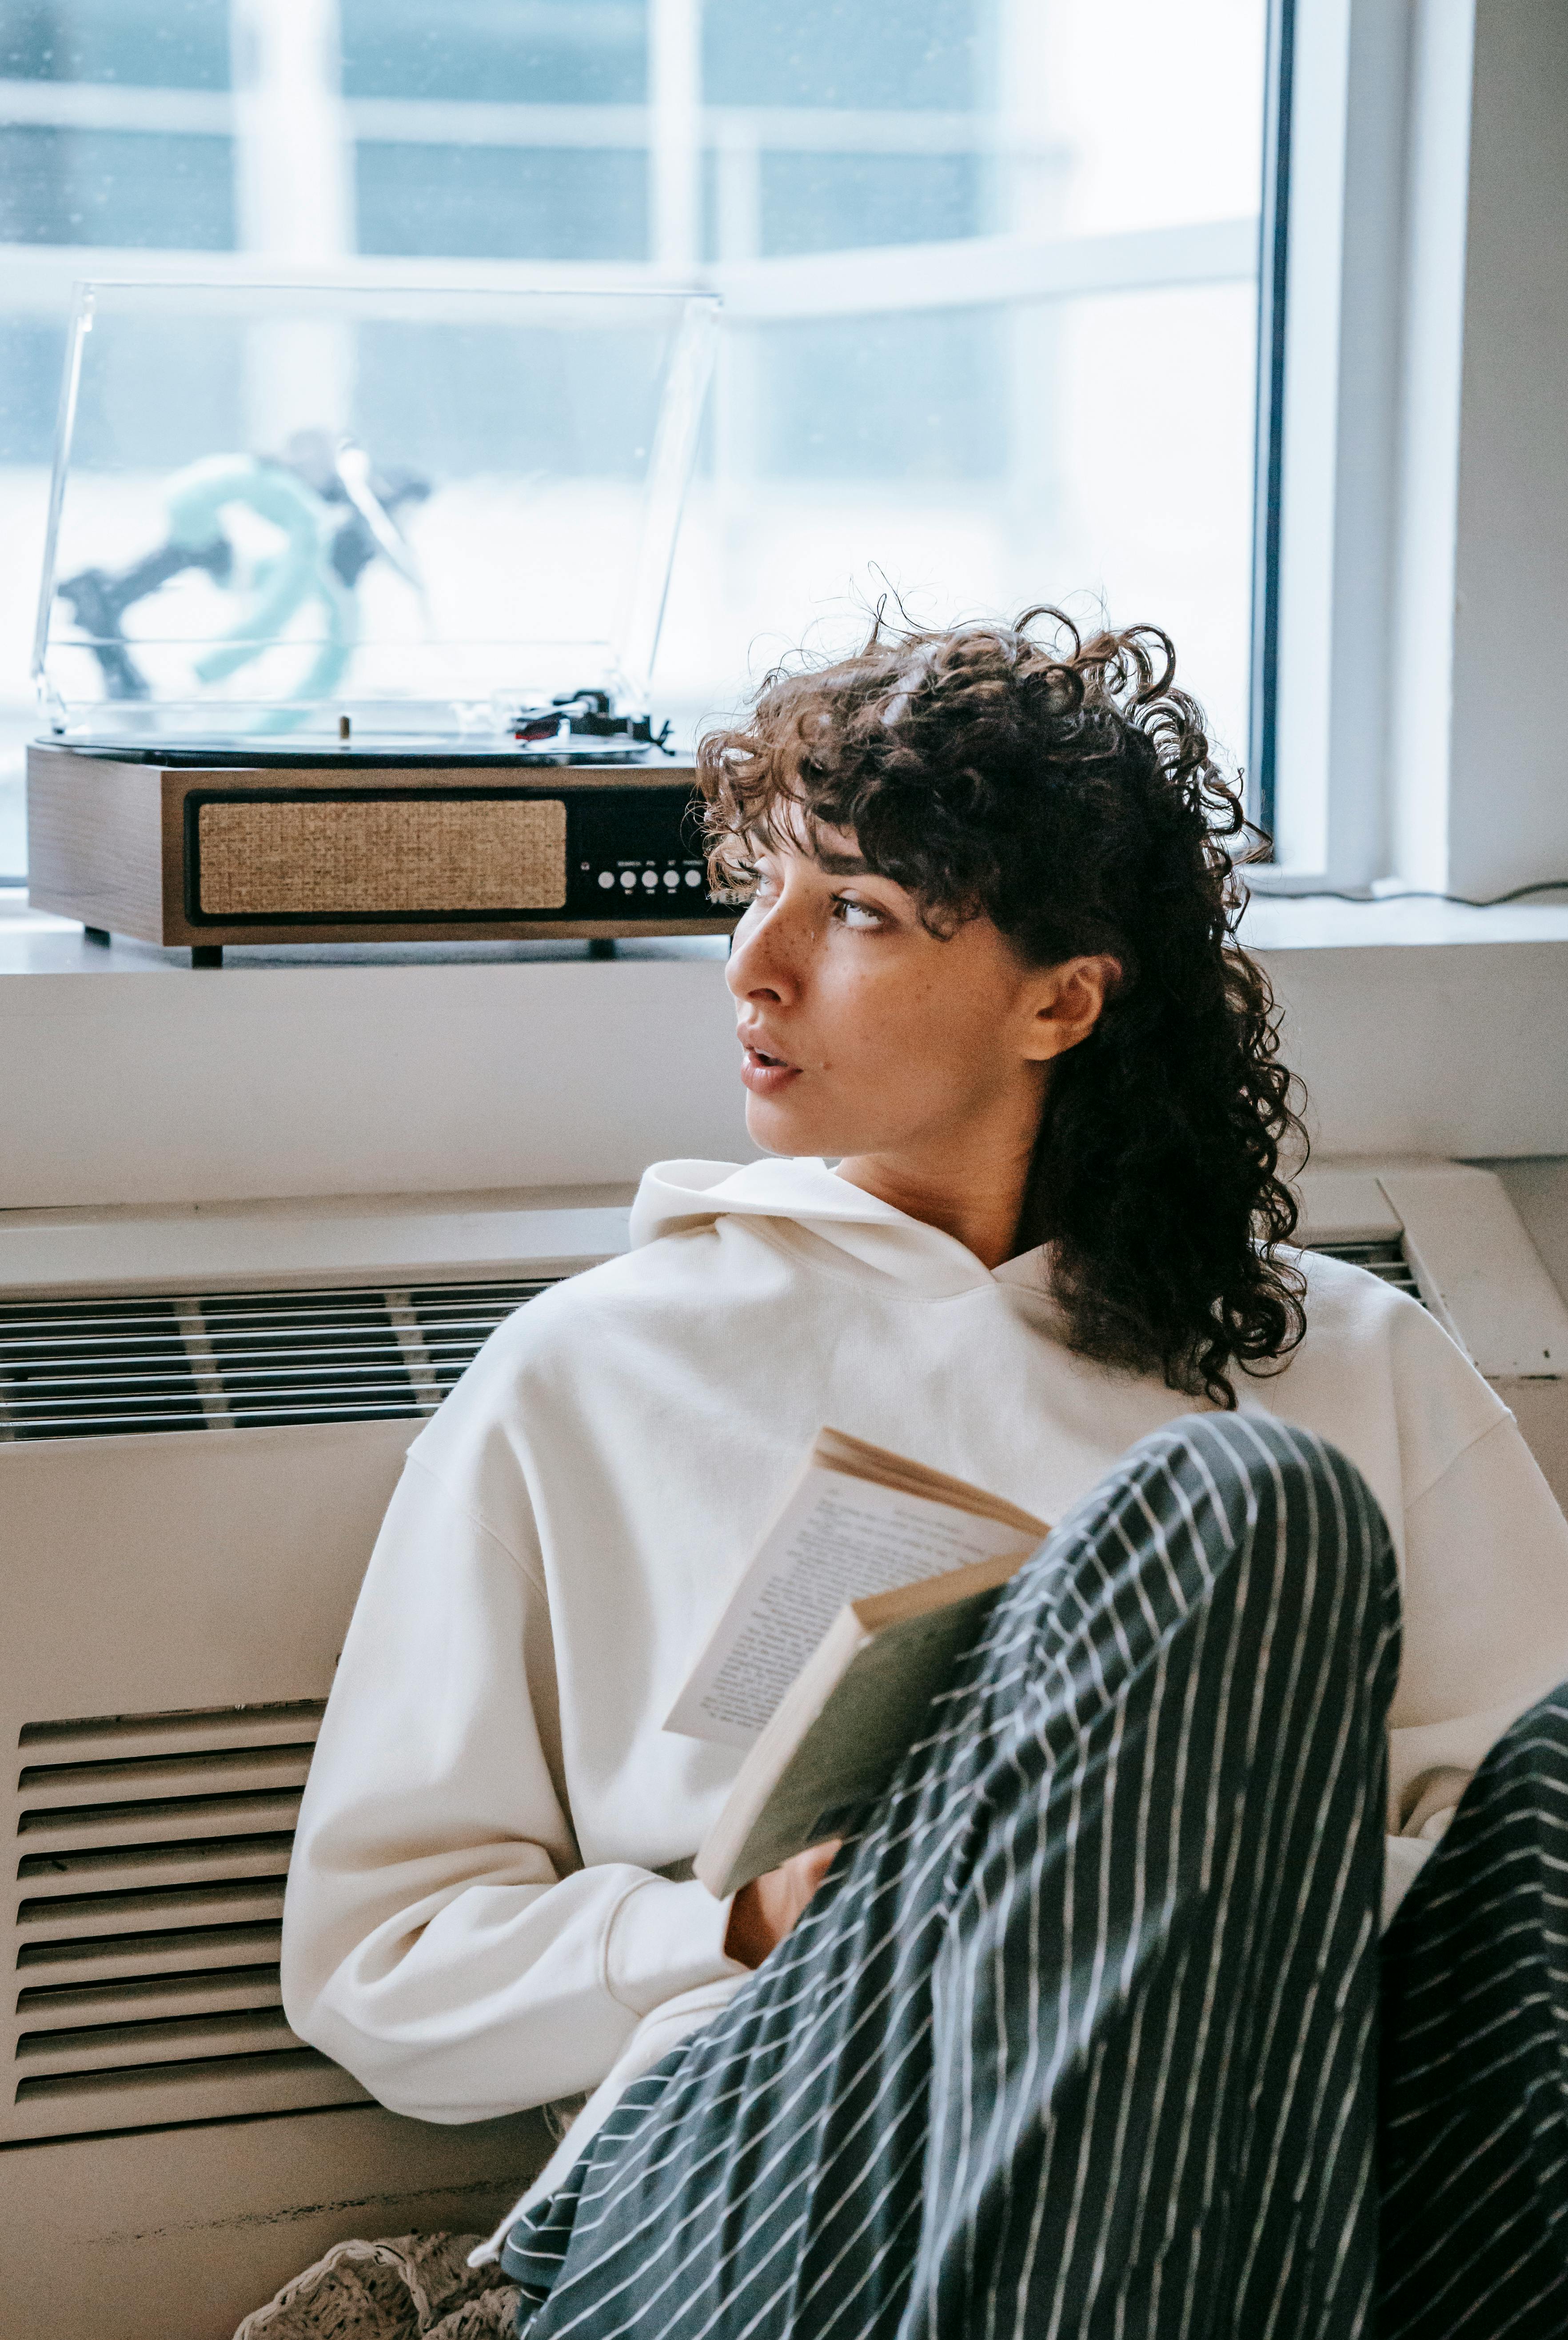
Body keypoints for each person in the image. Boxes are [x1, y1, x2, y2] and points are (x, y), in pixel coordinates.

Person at [279, 612, 1568, 2337]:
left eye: (857, 913)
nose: (754, 967)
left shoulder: (1343, 1356)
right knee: (1239, 1509)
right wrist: (738, 1921)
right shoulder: (593, 1371)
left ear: (1061, 999)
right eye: (761, 889)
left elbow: (1501, 1890)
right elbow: (377, 1975)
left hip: (1263, 2169)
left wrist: (1191, 1873)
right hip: (768, 2179)